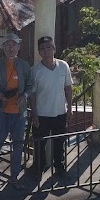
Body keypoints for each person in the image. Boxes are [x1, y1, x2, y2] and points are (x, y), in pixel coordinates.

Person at [28, 34, 75, 183]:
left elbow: (68, 88)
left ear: (54, 48)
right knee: (39, 144)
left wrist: (70, 108)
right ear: (39, 52)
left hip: (60, 112)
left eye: (49, 47)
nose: (46, 51)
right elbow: (32, 94)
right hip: (42, 114)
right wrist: (34, 114)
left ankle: (59, 168)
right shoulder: (35, 70)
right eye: (43, 49)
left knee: (59, 142)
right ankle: (39, 168)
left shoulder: (63, 66)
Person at [0, 34, 27, 186]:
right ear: (3, 47)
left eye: (13, 45)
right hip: (1, 112)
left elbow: (31, 85)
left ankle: (14, 176)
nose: (10, 48)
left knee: (18, 147)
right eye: (7, 45)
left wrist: (25, 95)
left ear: (18, 47)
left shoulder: (23, 65)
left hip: (19, 113)